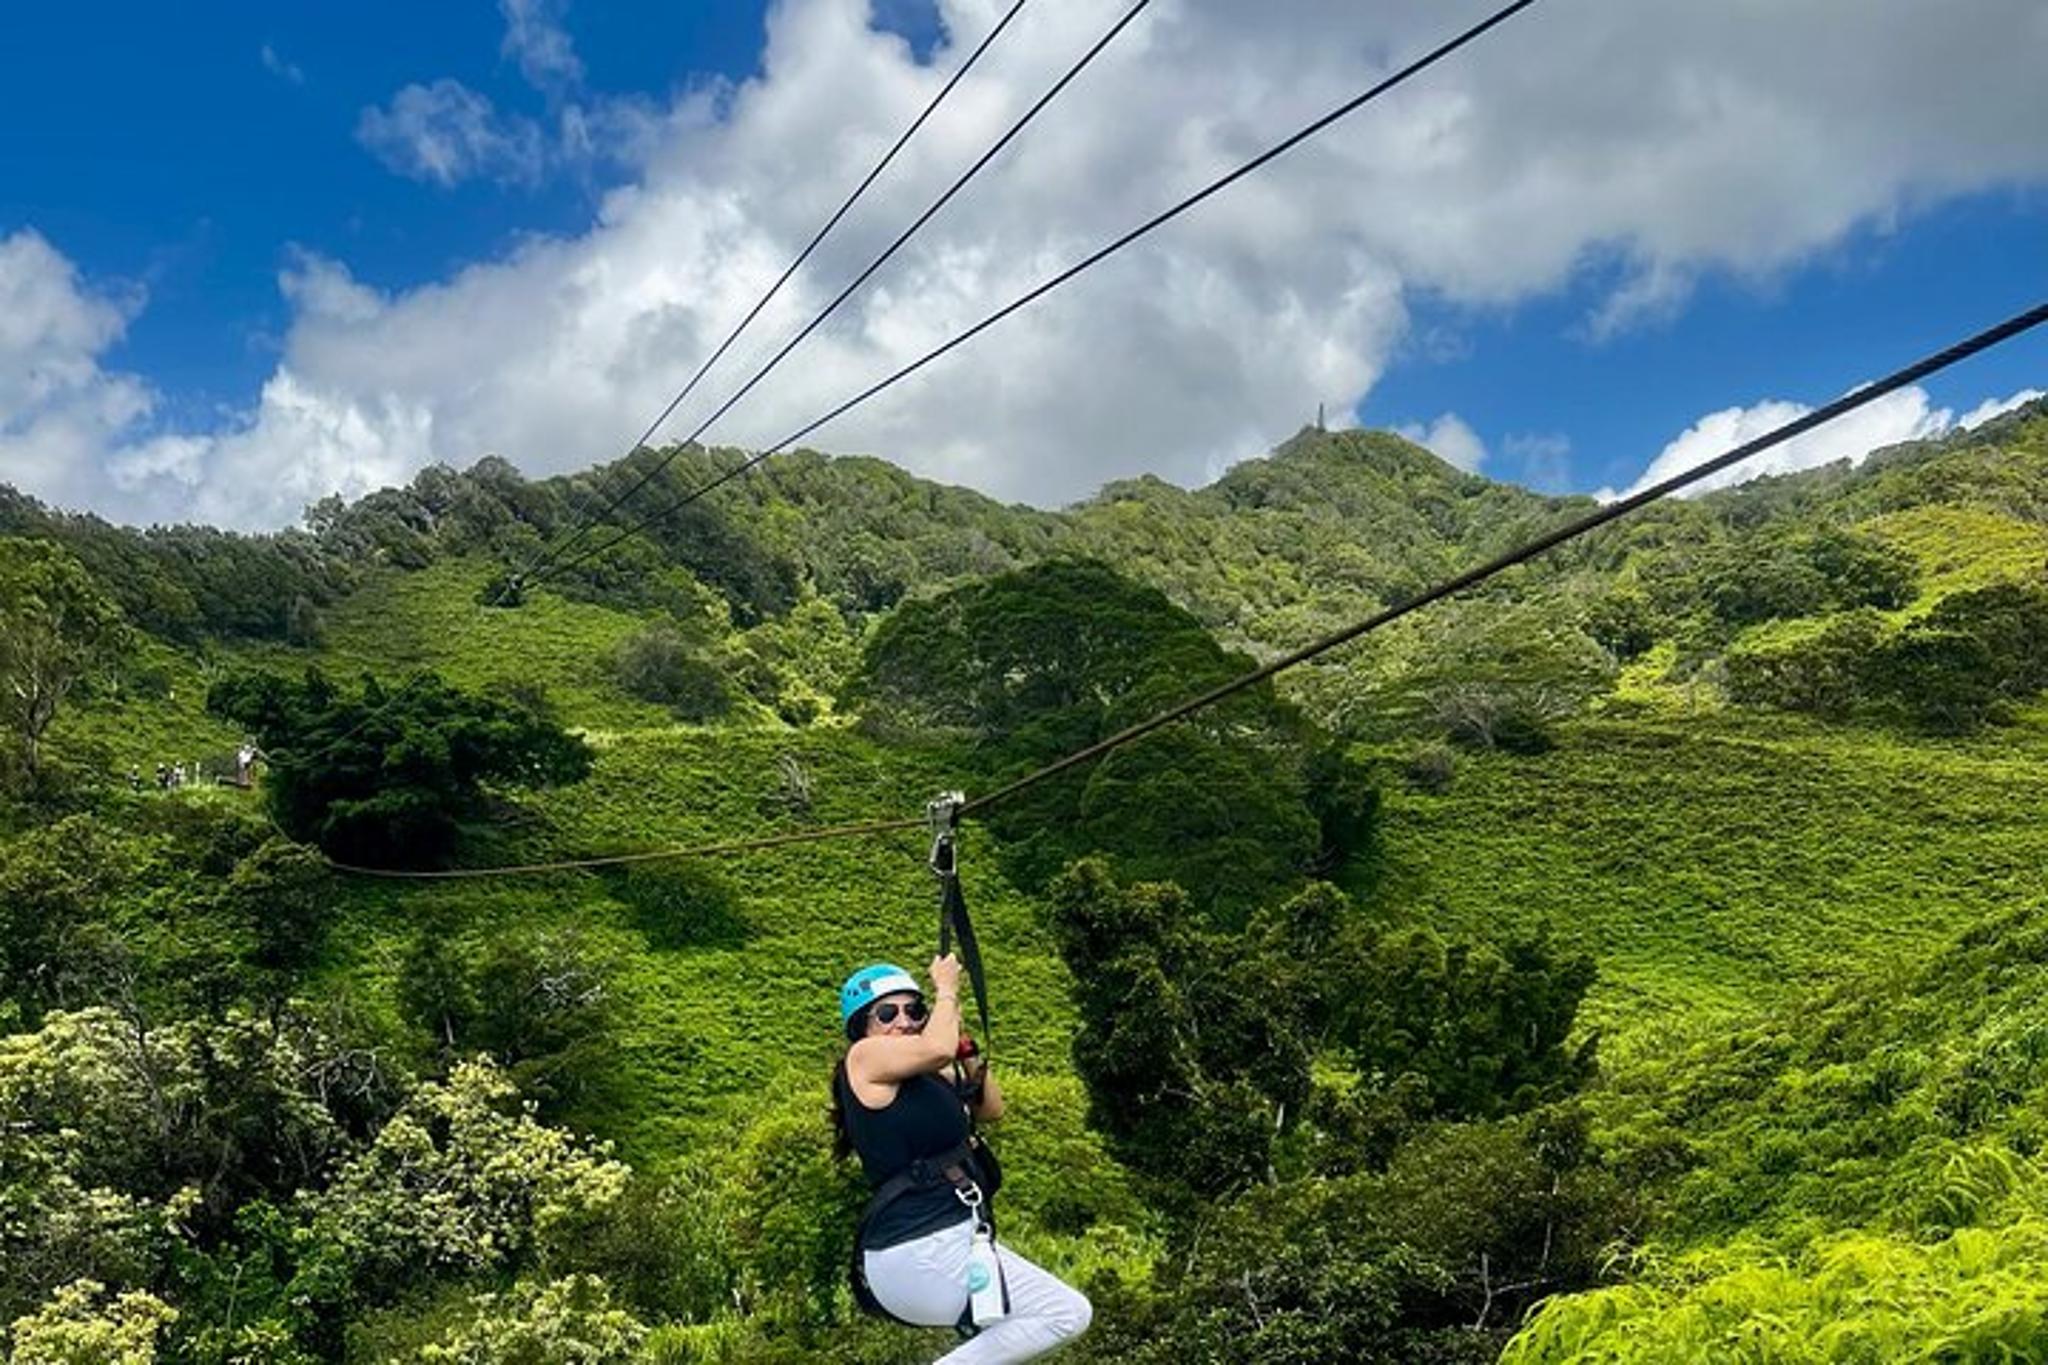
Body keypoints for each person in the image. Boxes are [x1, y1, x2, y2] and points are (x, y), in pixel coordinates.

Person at [831, 955, 1091, 1363]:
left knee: (1030, 1323)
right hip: (914, 1246)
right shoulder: (862, 1059)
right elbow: (935, 1048)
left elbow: (990, 1108)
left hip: (953, 1238)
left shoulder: (930, 1076)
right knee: (1066, 1312)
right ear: (863, 1026)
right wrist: (947, 990)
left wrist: (965, 1047)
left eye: (914, 1010)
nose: (904, 1021)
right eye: (887, 1013)